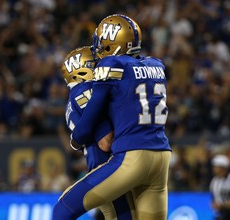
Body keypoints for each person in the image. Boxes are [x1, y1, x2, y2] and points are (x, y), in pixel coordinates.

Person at [54, 14, 171, 219]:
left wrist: (74, 141)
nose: (98, 49)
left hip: (132, 156)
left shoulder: (111, 65)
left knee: (63, 208)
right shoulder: (156, 65)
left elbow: (86, 127)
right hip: (162, 156)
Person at [55, 46, 135, 219]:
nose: (100, 67)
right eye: (95, 64)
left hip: (101, 169)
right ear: (83, 69)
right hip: (108, 168)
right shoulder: (85, 91)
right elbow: (105, 141)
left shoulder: (72, 99)